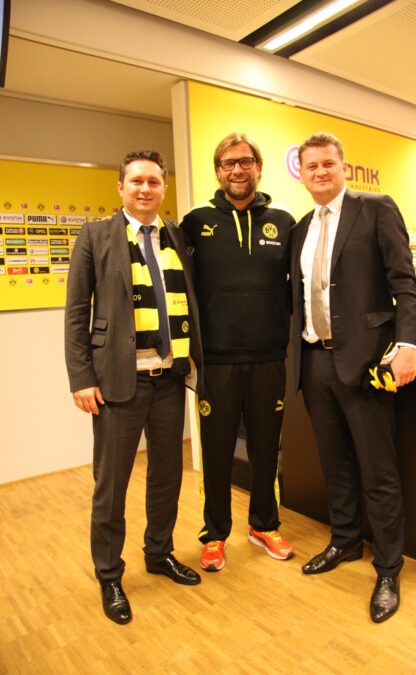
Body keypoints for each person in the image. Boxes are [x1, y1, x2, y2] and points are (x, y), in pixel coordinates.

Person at [65, 150, 203, 625]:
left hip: (170, 380)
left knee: (167, 477)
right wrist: (81, 377)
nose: (146, 189)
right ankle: (109, 574)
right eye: (137, 181)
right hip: (117, 384)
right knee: (111, 485)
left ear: (164, 188)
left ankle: (159, 553)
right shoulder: (96, 235)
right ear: (120, 187)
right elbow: (76, 313)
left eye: (154, 182)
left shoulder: (177, 236)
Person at [291, 132, 416, 622]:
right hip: (314, 361)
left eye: (328, 164)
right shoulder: (302, 228)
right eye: (312, 166)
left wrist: (408, 345)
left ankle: (388, 567)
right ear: (302, 175)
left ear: (343, 167)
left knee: (377, 470)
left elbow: (405, 284)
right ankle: (345, 540)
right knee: (336, 464)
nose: (320, 172)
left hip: (366, 362)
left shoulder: (376, 209)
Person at [181, 132, 295, 572]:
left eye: (245, 161)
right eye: (228, 163)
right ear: (218, 171)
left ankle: (264, 525)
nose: (237, 170)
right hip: (216, 361)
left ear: (258, 167)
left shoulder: (283, 222)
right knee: (216, 453)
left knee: (266, 449)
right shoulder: (195, 222)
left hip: (269, 358)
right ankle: (215, 534)